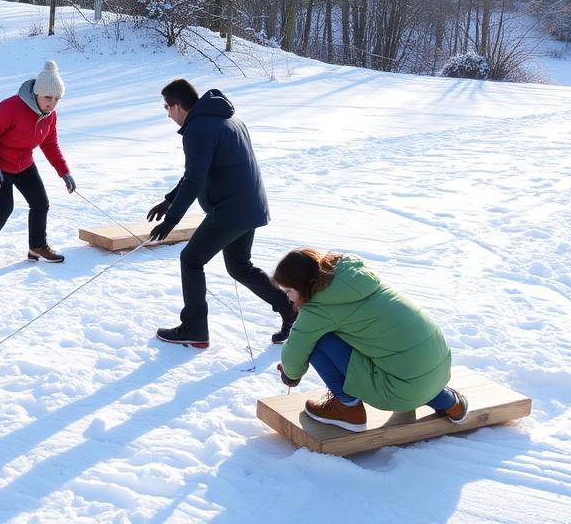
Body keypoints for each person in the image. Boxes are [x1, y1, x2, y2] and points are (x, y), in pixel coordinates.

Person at [147, 78, 296, 348]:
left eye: (167, 108)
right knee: (240, 266)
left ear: (179, 106)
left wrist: (172, 220)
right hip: (248, 205)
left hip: (231, 209)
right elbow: (197, 172)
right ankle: (291, 310)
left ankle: (194, 329)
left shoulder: (199, 129)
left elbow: (194, 180)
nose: (168, 114)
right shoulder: (226, 118)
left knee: (191, 260)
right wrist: (169, 201)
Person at [272, 248, 469, 433]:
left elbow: (296, 349)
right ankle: (450, 402)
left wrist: (290, 375)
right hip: (438, 369)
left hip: (400, 389)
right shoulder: (353, 279)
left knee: (317, 340)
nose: (289, 299)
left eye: (289, 291)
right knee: (404, 362)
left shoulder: (317, 309)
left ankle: (347, 408)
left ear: (301, 285)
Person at [0, 60, 76, 269]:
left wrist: (64, 172)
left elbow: (50, 144)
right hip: (0, 165)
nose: (52, 103)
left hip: (24, 163)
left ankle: (37, 246)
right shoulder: (11, 107)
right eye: (48, 97)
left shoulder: (50, 116)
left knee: (40, 203)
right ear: (37, 93)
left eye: (57, 99)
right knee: (3, 208)